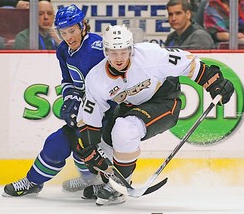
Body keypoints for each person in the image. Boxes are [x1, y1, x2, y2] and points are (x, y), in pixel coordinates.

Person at [75, 24, 234, 206]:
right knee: (105, 143)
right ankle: (111, 183)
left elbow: (188, 62)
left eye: (124, 51)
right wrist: (89, 148)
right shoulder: (96, 79)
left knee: (124, 129)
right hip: (131, 106)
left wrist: (214, 81)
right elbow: (89, 119)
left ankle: (119, 186)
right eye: (113, 52)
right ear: (105, 52)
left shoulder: (150, 55)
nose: (119, 58)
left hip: (165, 100)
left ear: (131, 49)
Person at [2, 4, 105, 197]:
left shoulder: (96, 47)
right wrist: (72, 99)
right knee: (56, 143)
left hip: (107, 113)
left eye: (72, 30)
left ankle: (98, 183)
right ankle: (33, 182)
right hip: (86, 112)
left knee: (85, 146)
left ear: (83, 26)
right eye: (63, 32)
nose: (68, 37)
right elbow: (68, 81)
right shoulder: (63, 50)